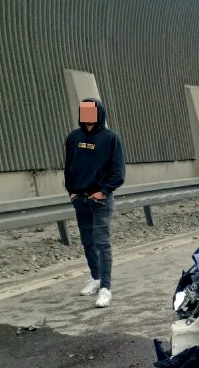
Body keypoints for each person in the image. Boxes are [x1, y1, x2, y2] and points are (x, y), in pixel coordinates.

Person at [64, 98, 125, 308]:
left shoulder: (110, 138)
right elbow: (68, 166)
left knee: (102, 242)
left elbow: (118, 173)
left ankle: (106, 289)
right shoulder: (74, 137)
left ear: (99, 113)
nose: (88, 115)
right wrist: (71, 193)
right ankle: (95, 278)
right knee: (87, 242)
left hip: (101, 201)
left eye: (92, 110)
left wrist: (103, 191)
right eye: (84, 111)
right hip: (80, 200)